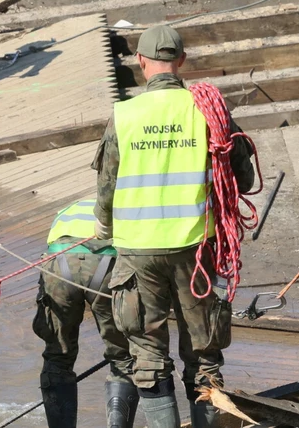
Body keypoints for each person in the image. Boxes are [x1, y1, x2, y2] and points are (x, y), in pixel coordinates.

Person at [94, 24, 257, 428]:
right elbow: (245, 179)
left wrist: (103, 229)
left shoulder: (124, 114)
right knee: (203, 356)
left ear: (141, 62)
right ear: (181, 62)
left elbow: (106, 189)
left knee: (147, 355)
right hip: (196, 249)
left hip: (138, 252)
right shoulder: (208, 110)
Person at [32, 199, 136, 428]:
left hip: (60, 261)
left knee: (58, 356)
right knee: (122, 356)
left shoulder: (68, 208)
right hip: (106, 262)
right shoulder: (124, 205)